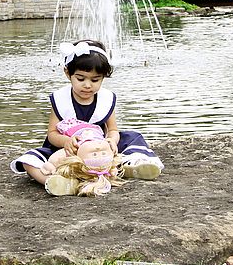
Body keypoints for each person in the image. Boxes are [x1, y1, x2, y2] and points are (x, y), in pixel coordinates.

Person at [10, 39, 164, 195]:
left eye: (95, 80)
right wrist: (67, 142)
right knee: (30, 161)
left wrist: (112, 140)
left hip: (100, 149)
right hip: (69, 151)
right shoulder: (61, 100)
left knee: (133, 137)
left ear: (103, 77)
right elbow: (52, 134)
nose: (88, 85)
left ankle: (131, 166)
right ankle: (55, 181)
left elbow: (112, 129)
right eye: (81, 79)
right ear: (67, 73)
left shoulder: (105, 99)